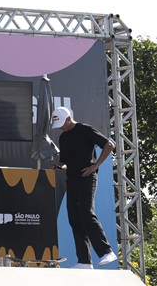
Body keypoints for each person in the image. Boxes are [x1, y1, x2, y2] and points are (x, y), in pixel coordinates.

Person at [51, 106, 118, 269]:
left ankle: (106, 251)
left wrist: (95, 166)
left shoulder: (85, 129)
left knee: (87, 213)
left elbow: (109, 145)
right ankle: (84, 261)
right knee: (74, 218)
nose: (60, 127)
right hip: (72, 180)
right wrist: (60, 167)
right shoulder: (63, 138)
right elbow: (66, 162)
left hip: (87, 178)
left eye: (61, 123)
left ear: (68, 118)